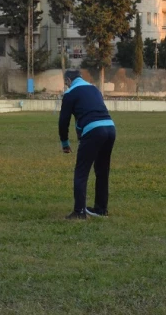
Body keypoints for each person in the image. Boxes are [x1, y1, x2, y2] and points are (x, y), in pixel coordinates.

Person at [59, 70, 116, 220]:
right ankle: (101, 209)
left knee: (81, 172)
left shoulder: (70, 93)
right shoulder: (94, 89)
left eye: (66, 82)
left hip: (93, 130)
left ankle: (79, 212)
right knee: (102, 171)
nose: (66, 85)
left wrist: (65, 143)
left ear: (69, 80)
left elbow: (63, 121)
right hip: (110, 128)